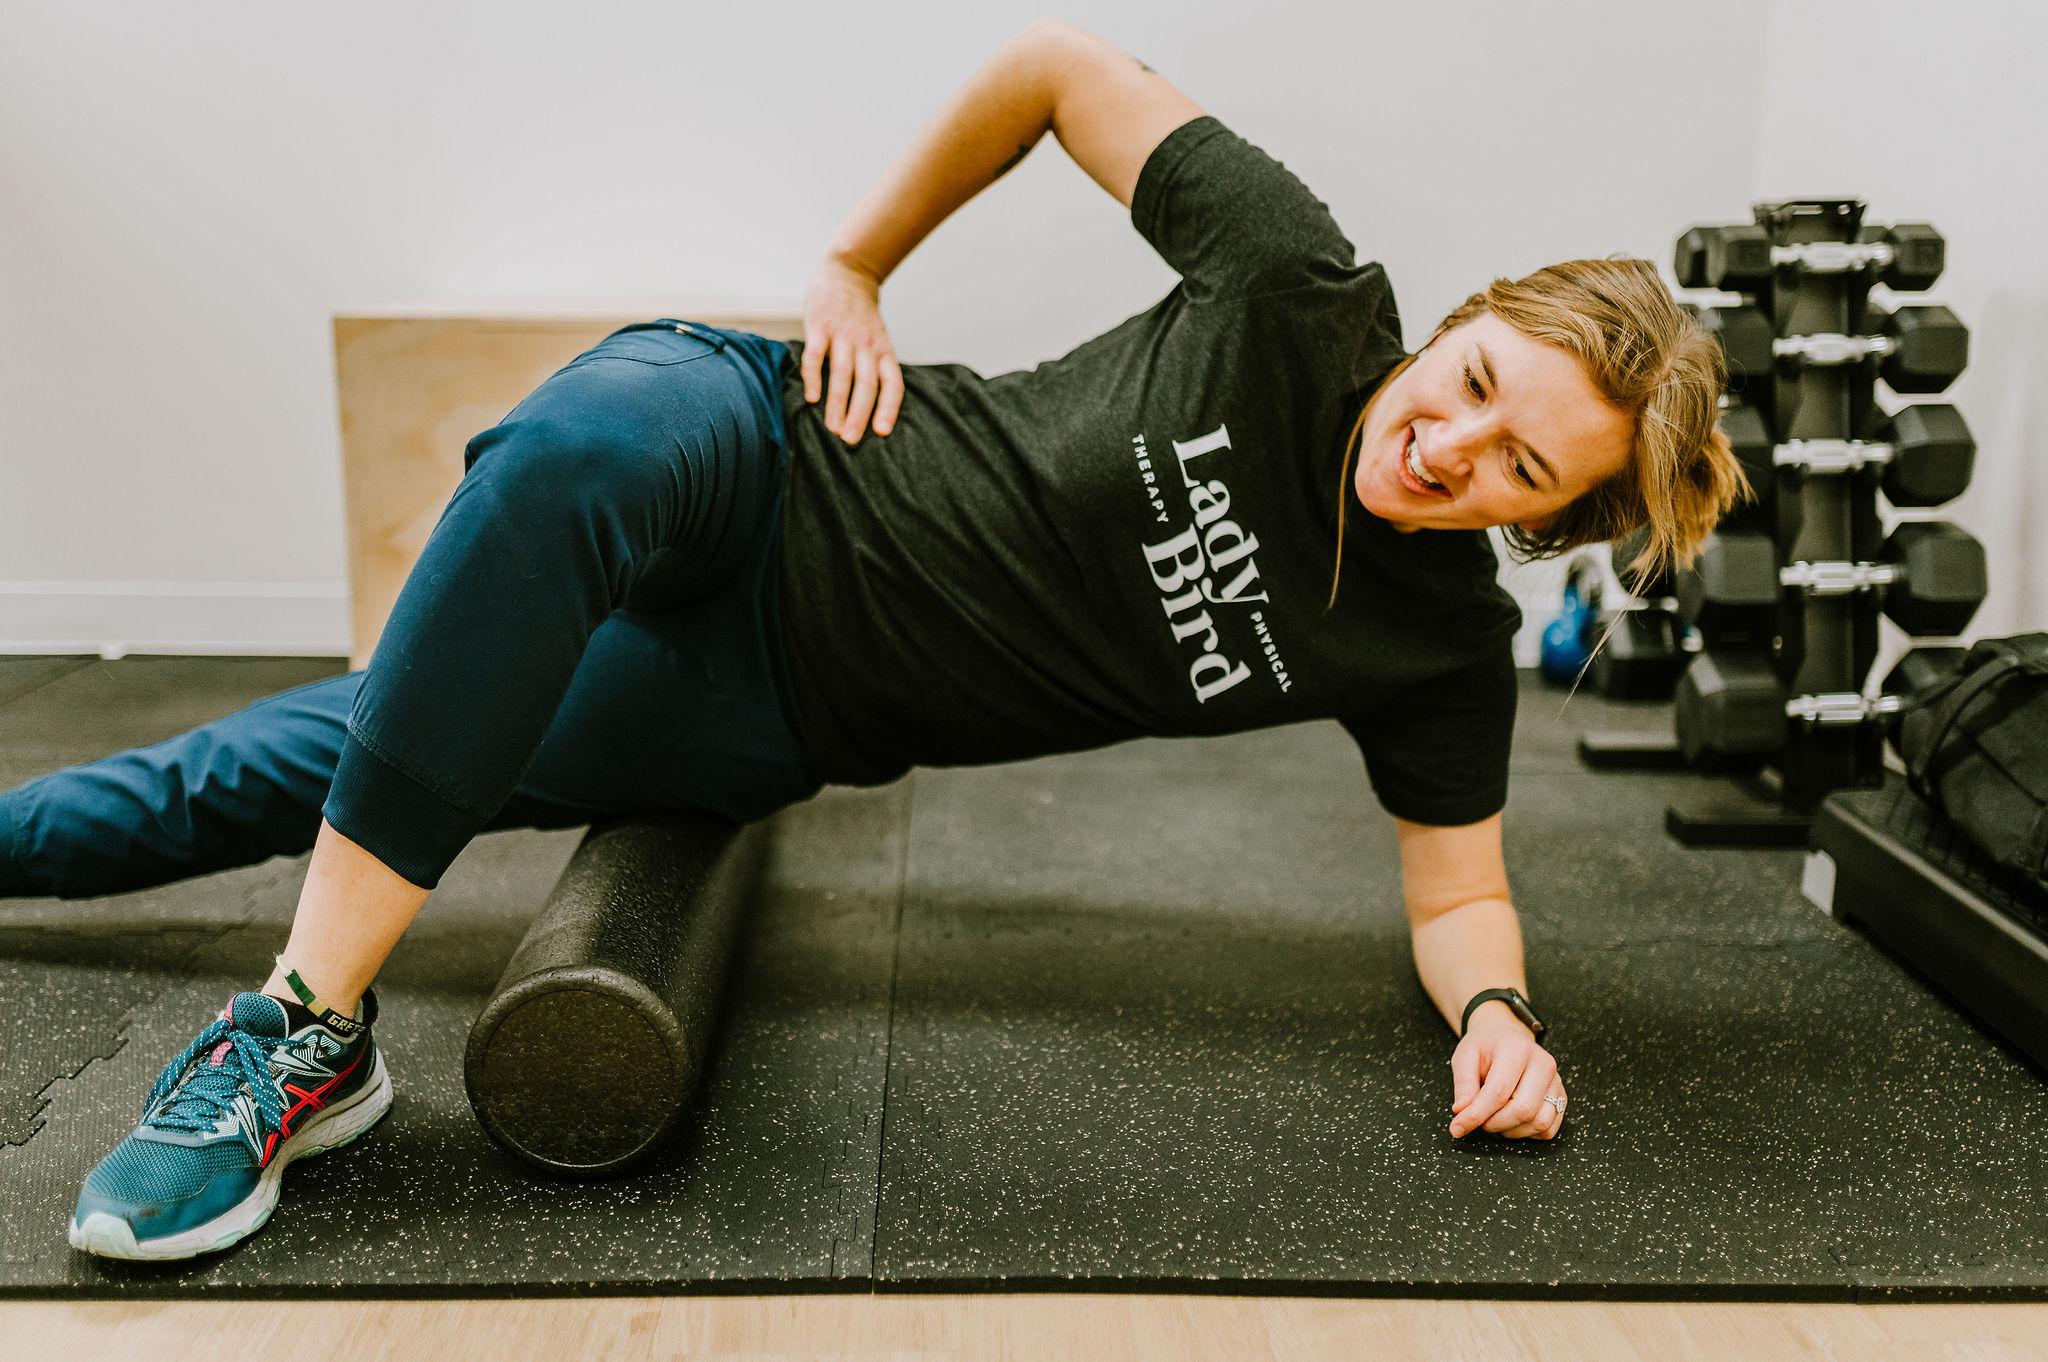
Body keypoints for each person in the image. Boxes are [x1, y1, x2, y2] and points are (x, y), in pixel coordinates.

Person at [6, 19, 1743, 1261]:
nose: (1449, 448)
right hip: (771, 453)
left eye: (1519, 467)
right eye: (1474, 387)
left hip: (757, 704)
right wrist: (851, 264)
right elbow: (1057, 68)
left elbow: (1456, 892)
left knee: (251, 780)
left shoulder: (1433, 649)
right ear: (1457, 326)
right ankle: (306, 1028)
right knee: (575, 451)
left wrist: (1497, 1012)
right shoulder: (1300, 290)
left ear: (1542, 522)